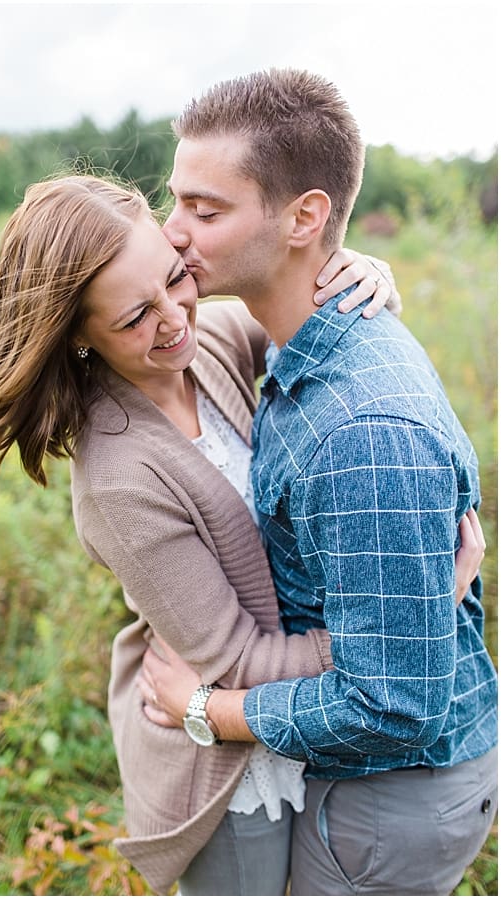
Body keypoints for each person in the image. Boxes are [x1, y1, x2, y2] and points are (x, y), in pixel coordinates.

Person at [0, 173, 484, 895]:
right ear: (79, 337)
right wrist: (413, 602)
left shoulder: (209, 340)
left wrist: (362, 272)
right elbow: (235, 656)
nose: (174, 317)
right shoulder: (120, 478)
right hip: (225, 758)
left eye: (176, 279)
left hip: (300, 715)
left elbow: (303, 325)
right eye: (133, 318)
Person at [139, 68, 498, 895]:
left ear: (304, 216)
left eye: (206, 209)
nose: (173, 233)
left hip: (393, 796)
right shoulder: (303, 333)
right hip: (374, 784)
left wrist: (212, 712)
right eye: (175, 201)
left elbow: (391, 704)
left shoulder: (361, 432)